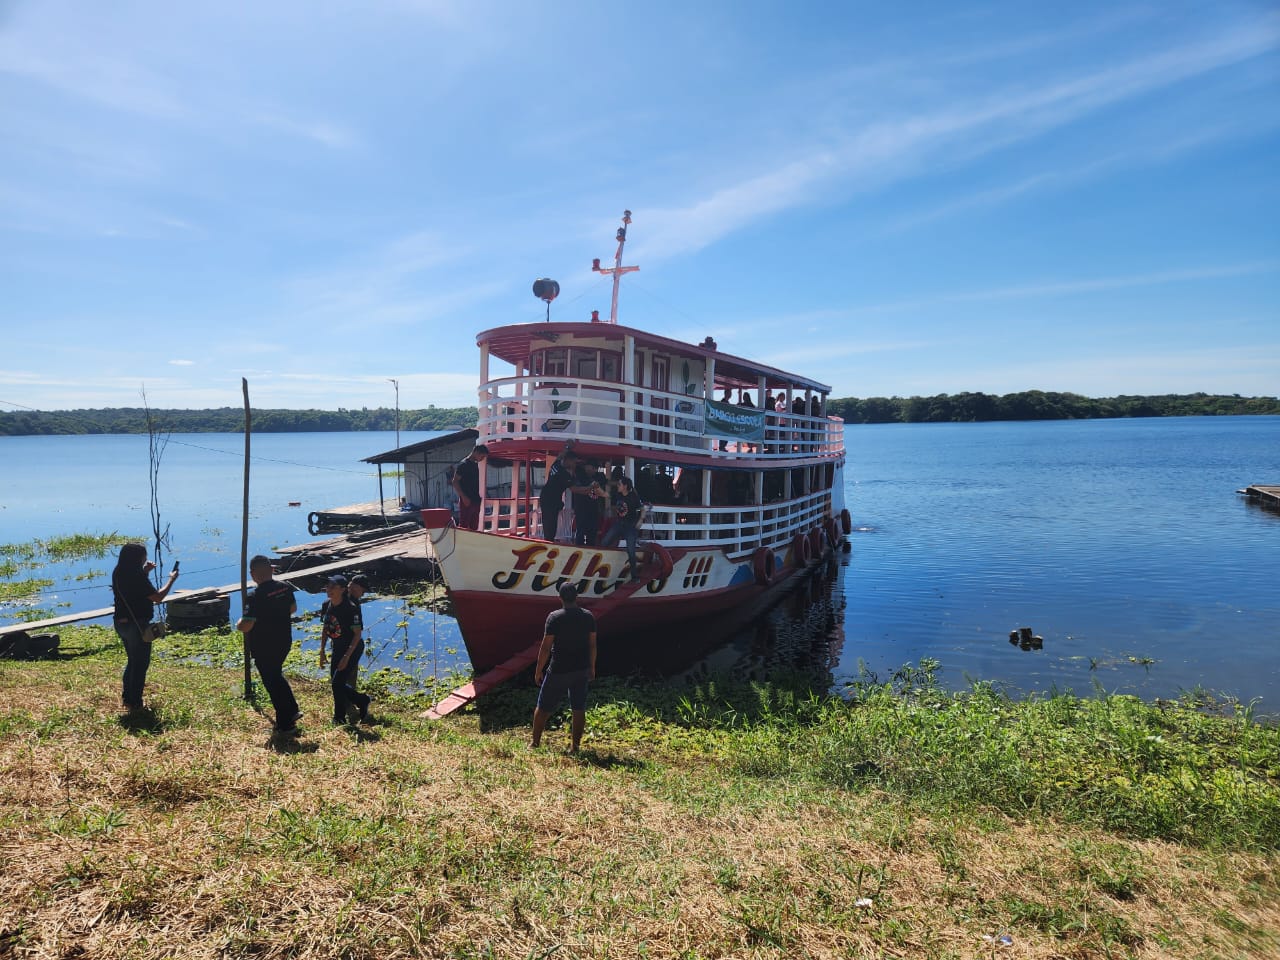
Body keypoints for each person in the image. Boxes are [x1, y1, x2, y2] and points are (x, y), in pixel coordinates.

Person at [236, 555, 301, 735]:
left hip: (264, 645)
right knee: (276, 676)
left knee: (272, 682)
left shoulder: (254, 596)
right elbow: (293, 608)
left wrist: (239, 624)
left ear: (252, 574)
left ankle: (285, 724)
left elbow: (247, 625)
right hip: (283, 641)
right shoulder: (285, 587)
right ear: (272, 569)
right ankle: (293, 710)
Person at [111, 542, 179, 712]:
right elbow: (158, 597)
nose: (146, 558)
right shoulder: (137, 576)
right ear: (137, 558)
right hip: (137, 625)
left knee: (132, 661)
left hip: (121, 623)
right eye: (144, 555)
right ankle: (135, 703)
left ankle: (127, 699)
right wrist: (172, 579)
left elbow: (133, 587)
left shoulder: (119, 571)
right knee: (140, 664)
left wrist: (145, 572)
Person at [531, 583, 597, 753]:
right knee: (578, 707)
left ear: (559, 598)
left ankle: (535, 744)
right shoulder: (588, 616)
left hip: (559, 669)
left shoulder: (554, 617)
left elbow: (546, 647)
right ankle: (575, 747)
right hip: (581, 669)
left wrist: (539, 670)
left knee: (543, 706)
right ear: (577, 597)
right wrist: (592, 667)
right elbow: (592, 645)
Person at [318, 574, 370, 725]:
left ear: (342, 589)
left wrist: (347, 656)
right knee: (336, 684)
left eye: (333, 586)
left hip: (352, 648)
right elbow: (326, 628)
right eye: (328, 586)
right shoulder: (326, 605)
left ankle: (339, 717)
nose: (329, 589)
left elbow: (357, 635)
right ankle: (361, 701)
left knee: (337, 683)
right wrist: (321, 651)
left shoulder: (351, 608)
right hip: (338, 647)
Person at [601, 475, 646, 581]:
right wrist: (597, 489)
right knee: (604, 543)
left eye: (619, 484)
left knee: (631, 550)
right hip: (619, 524)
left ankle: (635, 576)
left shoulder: (633, 497)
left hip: (630, 526)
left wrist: (640, 520)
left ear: (625, 486)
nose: (618, 486)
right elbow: (606, 494)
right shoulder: (618, 495)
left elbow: (642, 509)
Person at [539, 446, 580, 541]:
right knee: (550, 525)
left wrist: (567, 447)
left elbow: (560, 456)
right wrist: (590, 489)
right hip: (550, 500)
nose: (575, 464)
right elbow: (574, 489)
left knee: (549, 524)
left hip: (548, 497)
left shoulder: (556, 464)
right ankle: (548, 542)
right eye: (574, 462)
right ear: (569, 460)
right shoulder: (564, 474)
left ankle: (549, 540)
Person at [452, 443, 489, 530]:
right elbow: (455, 481)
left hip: (476, 499)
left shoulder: (476, 465)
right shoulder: (463, 464)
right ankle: (462, 543)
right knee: (464, 525)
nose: (482, 459)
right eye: (482, 456)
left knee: (474, 526)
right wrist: (464, 497)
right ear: (476, 452)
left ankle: (472, 543)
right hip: (467, 500)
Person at [571, 460, 602, 546]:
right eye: (594, 468)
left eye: (596, 469)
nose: (595, 471)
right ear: (587, 467)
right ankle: (579, 550)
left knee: (592, 533)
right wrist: (590, 487)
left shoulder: (597, 477)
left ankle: (590, 551)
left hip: (593, 510)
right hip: (582, 509)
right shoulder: (579, 476)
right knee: (580, 532)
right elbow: (578, 489)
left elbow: (606, 483)